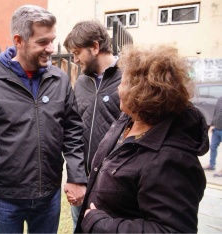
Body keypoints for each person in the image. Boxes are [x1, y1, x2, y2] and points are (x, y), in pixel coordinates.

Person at [0, 5, 87, 233]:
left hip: (48, 196)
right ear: (19, 40)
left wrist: (77, 176)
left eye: (52, 40)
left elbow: (73, 131)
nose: (50, 49)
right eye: (42, 42)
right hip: (5, 199)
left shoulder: (59, 80)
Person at [75, 44, 209, 233]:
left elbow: (172, 230)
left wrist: (100, 225)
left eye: (124, 82)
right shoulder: (130, 118)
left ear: (144, 93)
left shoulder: (171, 158)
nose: (118, 88)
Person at [63, 20, 122, 228]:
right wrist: (76, 176)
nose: (75, 59)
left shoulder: (128, 79)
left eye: (77, 52)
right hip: (83, 183)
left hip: (114, 186)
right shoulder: (81, 82)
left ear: (95, 47)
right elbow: (72, 131)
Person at [203, 96, 222, 177]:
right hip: (216, 128)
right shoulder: (220, 98)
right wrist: (212, 124)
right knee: (213, 147)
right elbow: (216, 112)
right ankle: (212, 165)